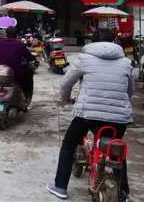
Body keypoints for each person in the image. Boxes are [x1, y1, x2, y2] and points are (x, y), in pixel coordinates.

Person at [47, 29, 133, 200]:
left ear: (92, 41)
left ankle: (60, 187)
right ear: (115, 41)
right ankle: (123, 191)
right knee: (116, 148)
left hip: (87, 115)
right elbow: (130, 91)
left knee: (69, 144)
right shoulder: (125, 62)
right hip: (118, 118)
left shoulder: (84, 58)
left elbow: (66, 82)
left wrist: (65, 99)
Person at [0, 26, 35, 104]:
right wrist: (32, 57)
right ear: (16, 35)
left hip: (1, 73)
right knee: (29, 74)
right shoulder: (19, 44)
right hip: (15, 73)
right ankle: (26, 96)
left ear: (6, 34)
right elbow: (29, 57)